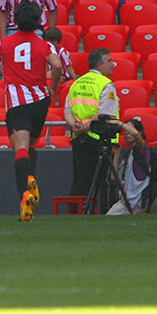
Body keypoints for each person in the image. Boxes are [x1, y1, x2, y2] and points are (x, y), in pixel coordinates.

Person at [0, 0, 63, 220]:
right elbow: (57, 65)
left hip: (18, 102)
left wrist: (4, 69)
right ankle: (31, 179)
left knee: (20, 147)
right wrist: (52, 87)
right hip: (40, 101)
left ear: (15, 20)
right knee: (31, 145)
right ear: (38, 21)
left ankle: (25, 193)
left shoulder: (4, 44)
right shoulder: (45, 45)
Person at [63, 49, 120, 205]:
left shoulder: (77, 83)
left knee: (81, 180)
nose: (112, 64)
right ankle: (106, 213)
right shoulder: (105, 84)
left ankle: (75, 214)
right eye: (109, 61)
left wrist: (75, 126)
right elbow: (105, 113)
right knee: (105, 182)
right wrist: (87, 127)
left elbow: (67, 110)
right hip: (100, 138)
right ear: (100, 64)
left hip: (78, 139)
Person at [105, 118, 149, 215]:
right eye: (124, 131)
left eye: (129, 129)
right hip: (125, 203)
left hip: (138, 203)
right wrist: (116, 154)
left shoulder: (142, 151)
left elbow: (137, 135)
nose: (126, 133)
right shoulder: (127, 155)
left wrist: (120, 123)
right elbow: (114, 178)